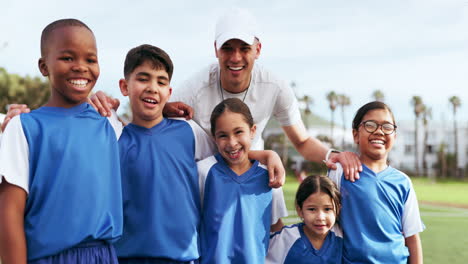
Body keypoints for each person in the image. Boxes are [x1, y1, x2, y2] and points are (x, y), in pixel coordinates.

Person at [86, 7, 362, 182]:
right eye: (227, 48)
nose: (236, 57)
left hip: (257, 168)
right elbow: (145, 122)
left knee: (268, 231)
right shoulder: (195, 86)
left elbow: (301, 141)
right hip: (207, 176)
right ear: (216, 50)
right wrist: (104, 108)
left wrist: (333, 155)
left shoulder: (275, 86)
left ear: (258, 49)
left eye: (244, 47)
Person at [113, 44, 284, 263]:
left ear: (169, 92)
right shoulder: (114, 138)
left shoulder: (188, 131)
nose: (152, 88)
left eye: (161, 82)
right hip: (128, 257)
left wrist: (265, 155)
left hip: (183, 258)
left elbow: (229, 151)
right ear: (124, 86)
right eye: (143, 79)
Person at [0, 19, 122, 263]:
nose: (81, 67)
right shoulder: (24, 127)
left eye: (90, 59)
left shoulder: (108, 123)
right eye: (68, 58)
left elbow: (150, 125)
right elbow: (9, 212)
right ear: (44, 67)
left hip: (102, 255)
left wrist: (170, 107)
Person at [328, 101, 425, 264]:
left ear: (394, 135)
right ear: (355, 134)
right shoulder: (340, 172)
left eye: (387, 127)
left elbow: (412, 238)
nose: (379, 131)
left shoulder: (403, 182)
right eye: (370, 125)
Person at [197, 98, 288, 264]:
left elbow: (276, 229)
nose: (232, 143)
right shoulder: (203, 171)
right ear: (214, 138)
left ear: (252, 131)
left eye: (239, 132)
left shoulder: (271, 176)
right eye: (223, 135)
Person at [266, 175, 343, 264]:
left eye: (327, 209)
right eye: (312, 209)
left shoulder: (342, 236)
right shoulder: (285, 239)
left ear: (338, 209)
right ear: (300, 210)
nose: (320, 217)